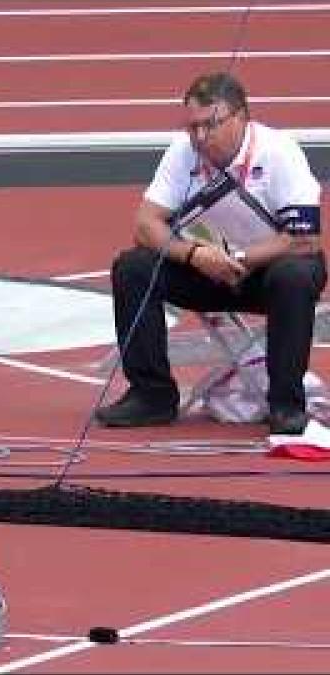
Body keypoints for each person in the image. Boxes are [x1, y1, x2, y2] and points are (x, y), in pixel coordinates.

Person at [96, 72, 324, 435]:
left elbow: (304, 238)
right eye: (193, 127)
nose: (201, 137)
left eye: (211, 125)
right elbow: (145, 224)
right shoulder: (183, 151)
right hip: (205, 267)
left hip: (267, 271)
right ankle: (151, 395)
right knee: (133, 267)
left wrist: (240, 259)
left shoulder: (279, 150)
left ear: (241, 116)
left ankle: (285, 404)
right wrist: (195, 255)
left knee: (295, 275)